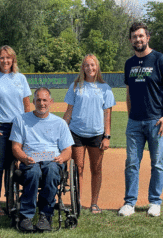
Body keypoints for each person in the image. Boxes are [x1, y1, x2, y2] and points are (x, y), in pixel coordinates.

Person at [118, 22, 163, 217]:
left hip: (156, 121)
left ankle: (155, 202)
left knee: (157, 163)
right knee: (132, 163)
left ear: (148, 38)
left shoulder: (159, 59)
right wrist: (130, 116)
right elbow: (128, 92)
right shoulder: (129, 63)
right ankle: (129, 203)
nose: (138, 39)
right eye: (135, 37)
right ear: (130, 40)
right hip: (134, 122)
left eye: (141, 36)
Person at [9, 87, 74, 231]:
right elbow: (16, 147)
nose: (41, 103)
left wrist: (61, 158)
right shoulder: (21, 120)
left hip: (52, 160)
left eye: (45, 100)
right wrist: (24, 158)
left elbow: (68, 150)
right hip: (30, 159)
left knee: (51, 170)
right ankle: (26, 216)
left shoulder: (60, 123)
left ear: (51, 101)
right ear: (33, 101)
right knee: (33, 173)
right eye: (38, 100)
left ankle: (45, 215)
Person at [0, 45, 31, 216]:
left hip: (17, 128)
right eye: (2, 58)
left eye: (8, 57)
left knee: (14, 165)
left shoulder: (21, 78)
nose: (5, 61)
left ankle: (11, 199)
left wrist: (27, 129)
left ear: (13, 59)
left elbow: (26, 106)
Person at [63, 54, 116, 214]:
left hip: (96, 135)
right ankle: (76, 201)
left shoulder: (105, 88)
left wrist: (107, 136)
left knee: (96, 169)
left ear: (97, 67)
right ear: (83, 68)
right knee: (78, 169)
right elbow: (69, 112)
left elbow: (107, 115)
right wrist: (60, 130)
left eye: (93, 65)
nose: (90, 68)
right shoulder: (75, 86)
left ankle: (94, 203)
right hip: (76, 133)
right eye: (87, 65)